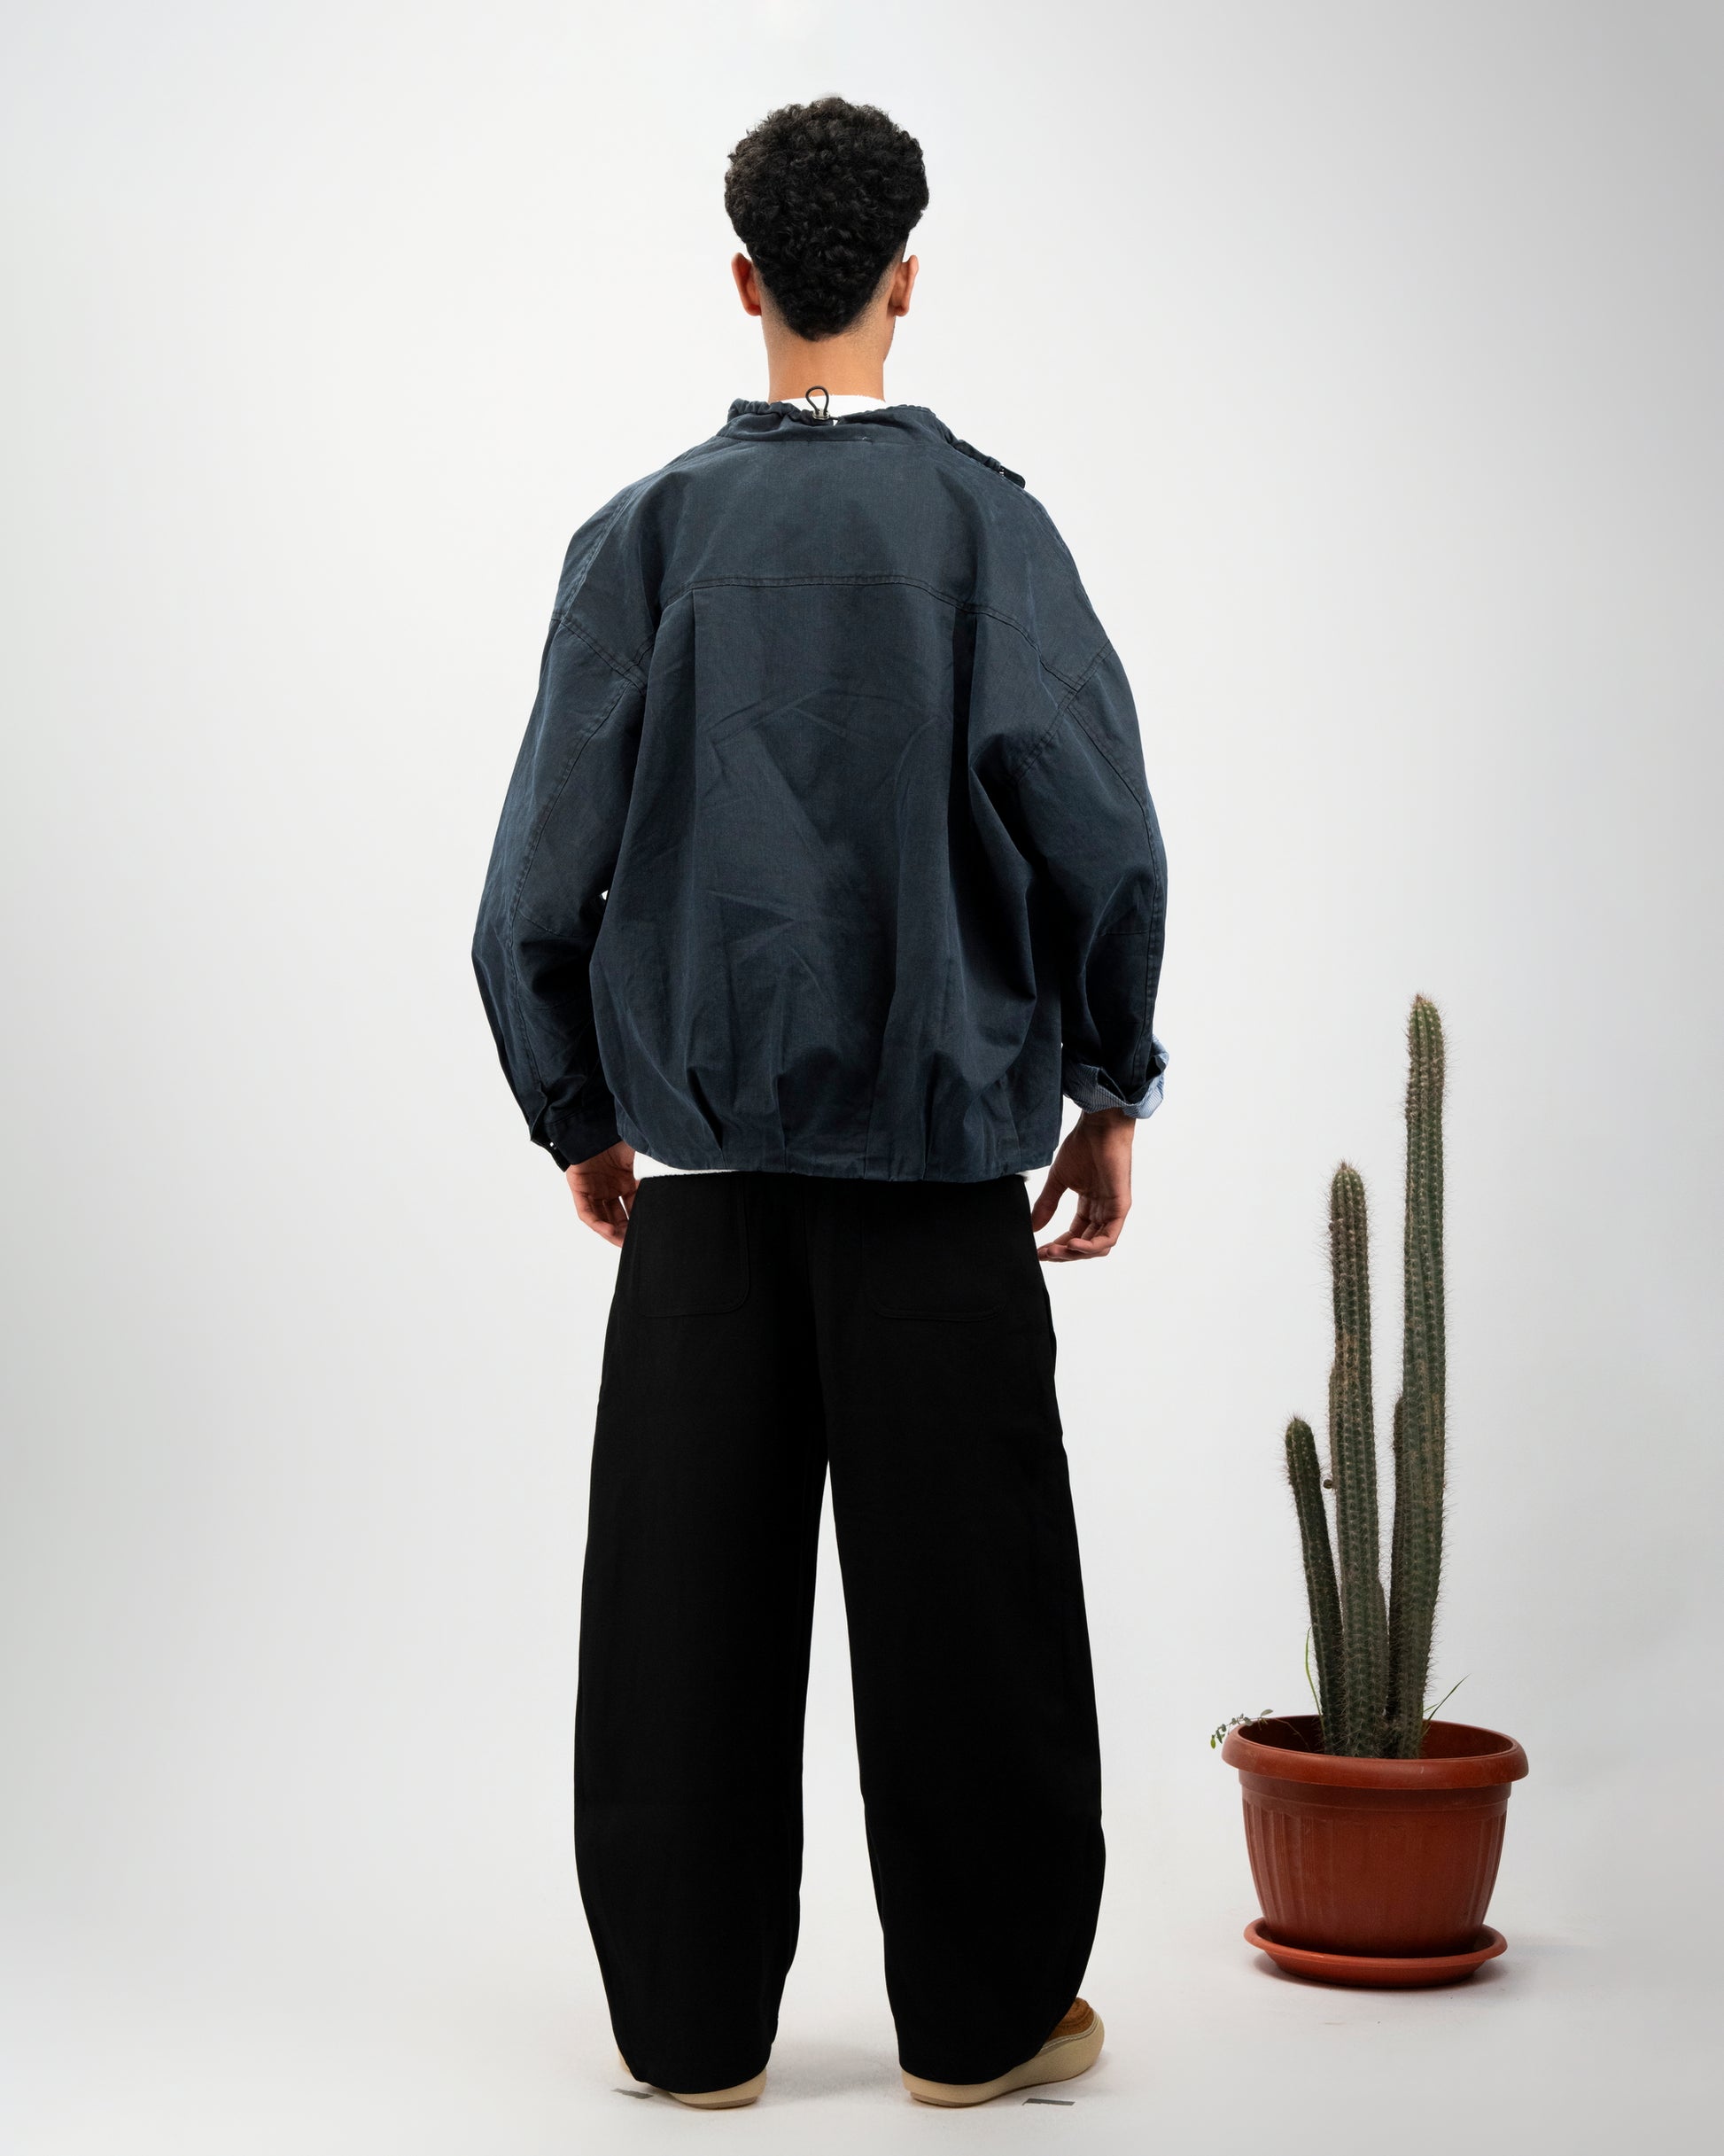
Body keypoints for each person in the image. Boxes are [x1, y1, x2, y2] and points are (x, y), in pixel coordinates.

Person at [473, 95, 1168, 2111]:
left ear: (745, 277)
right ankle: (982, 2024)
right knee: (975, 1610)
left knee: (678, 1610)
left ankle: (687, 2036)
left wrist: (580, 1110)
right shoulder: (985, 530)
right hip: (941, 1177)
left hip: (702, 1185)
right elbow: (1101, 834)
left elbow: (532, 882)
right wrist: (1108, 1081)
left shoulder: (645, 536)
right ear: (904, 280)